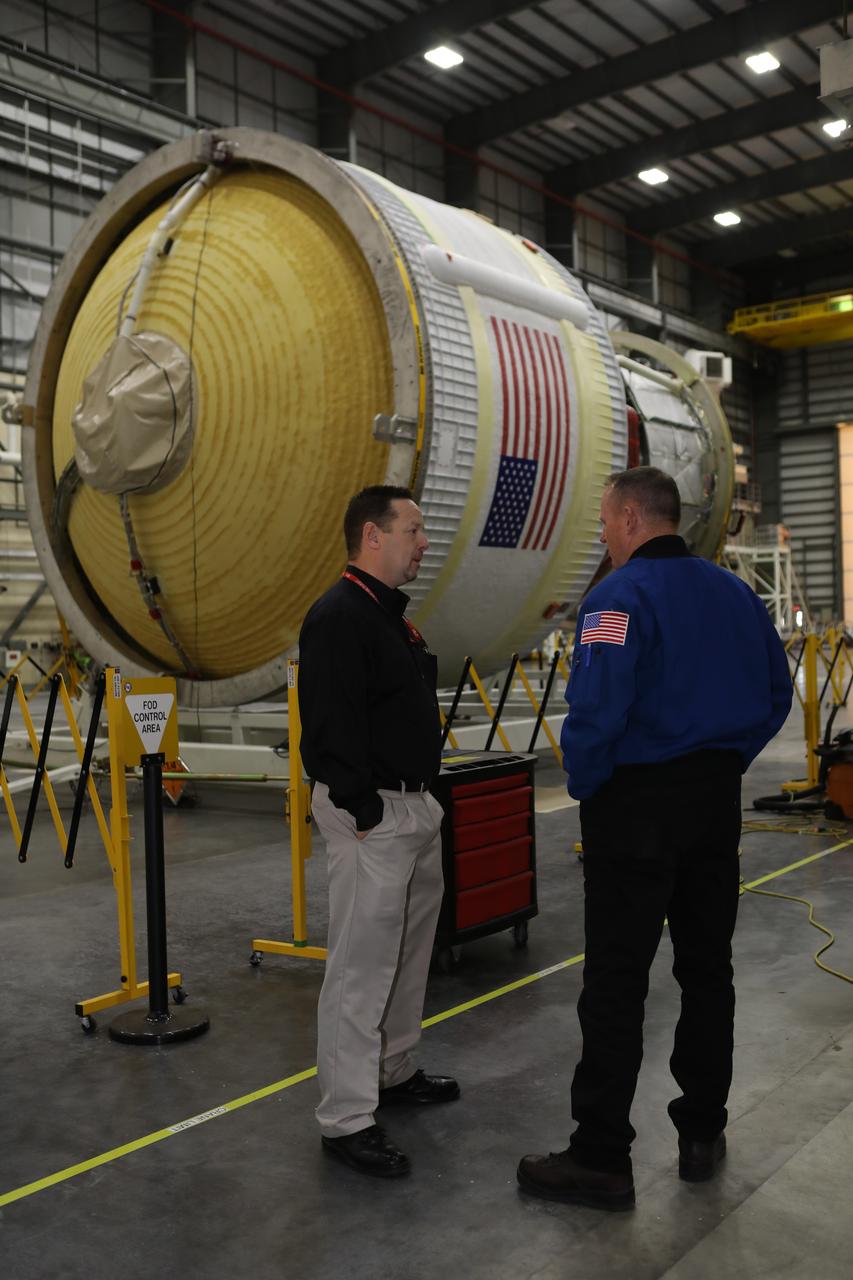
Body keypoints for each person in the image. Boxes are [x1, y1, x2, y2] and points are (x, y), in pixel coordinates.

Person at [517, 466, 792, 1211]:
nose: (603, 536)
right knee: (707, 970)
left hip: (635, 808)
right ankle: (701, 1132)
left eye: (605, 522)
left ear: (632, 519)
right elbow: (776, 691)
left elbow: (598, 708)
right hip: (712, 805)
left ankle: (601, 1156)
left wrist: (586, 781)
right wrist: (722, 758)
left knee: (616, 981)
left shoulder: (617, 598)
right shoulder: (735, 593)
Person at [298, 485, 458, 1180]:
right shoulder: (339, 616)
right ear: (372, 535)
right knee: (360, 970)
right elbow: (330, 727)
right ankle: (345, 1118)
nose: (423, 542)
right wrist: (365, 811)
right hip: (376, 818)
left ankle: (393, 1070)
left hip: (411, 811)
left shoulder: (388, 617)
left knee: (405, 956)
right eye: (413, 529)